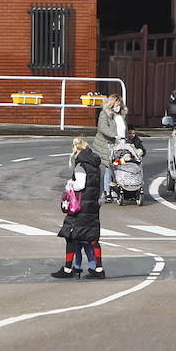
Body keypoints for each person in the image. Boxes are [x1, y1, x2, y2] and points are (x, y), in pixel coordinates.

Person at [53, 138, 106, 279]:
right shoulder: (95, 166)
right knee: (92, 238)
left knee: (70, 235)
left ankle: (68, 269)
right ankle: (99, 269)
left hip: (80, 206)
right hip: (93, 206)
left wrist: (70, 184)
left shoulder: (81, 165)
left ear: (76, 150)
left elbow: (80, 185)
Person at [92, 94, 127, 202]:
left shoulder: (122, 115)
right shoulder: (105, 114)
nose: (118, 107)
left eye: (119, 105)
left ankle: (116, 188)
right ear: (111, 105)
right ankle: (107, 191)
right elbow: (102, 127)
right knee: (109, 166)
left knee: (119, 165)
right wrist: (113, 135)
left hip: (120, 144)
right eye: (116, 105)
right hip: (107, 144)